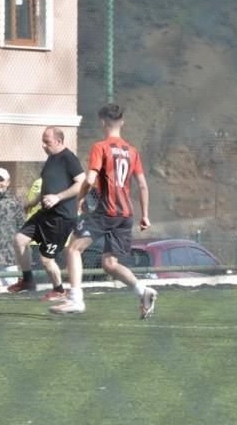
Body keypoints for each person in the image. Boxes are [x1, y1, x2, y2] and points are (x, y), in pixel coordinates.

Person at [50, 103, 158, 319]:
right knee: (110, 264)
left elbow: (90, 179)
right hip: (125, 216)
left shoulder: (101, 147)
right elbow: (143, 185)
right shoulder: (132, 151)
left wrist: (81, 198)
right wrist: (145, 215)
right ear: (122, 122)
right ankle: (143, 291)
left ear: (102, 122)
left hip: (106, 211)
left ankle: (75, 300)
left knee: (73, 249)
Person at [8, 127, 85, 301]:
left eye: (47, 142)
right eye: (42, 142)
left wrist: (58, 197)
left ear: (58, 141)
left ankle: (59, 290)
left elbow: (81, 183)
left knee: (46, 259)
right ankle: (27, 280)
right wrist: (33, 202)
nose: (43, 145)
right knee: (19, 240)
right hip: (44, 213)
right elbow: (47, 185)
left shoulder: (69, 158)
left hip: (61, 218)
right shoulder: (51, 158)